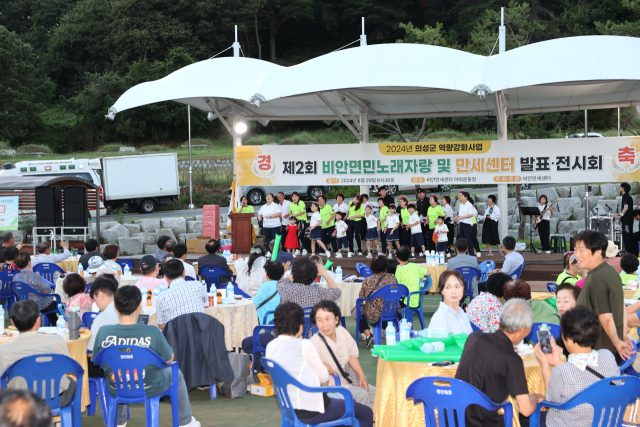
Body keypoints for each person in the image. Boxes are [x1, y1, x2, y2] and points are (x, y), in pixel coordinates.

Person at [93, 286, 201, 427]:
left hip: (117, 385)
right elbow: (169, 358)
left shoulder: (103, 332)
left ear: (115, 306)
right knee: (177, 374)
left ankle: (119, 423)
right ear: (139, 306)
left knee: (119, 371)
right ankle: (186, 423)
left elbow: (97, 359)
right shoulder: (152, 331)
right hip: (149, 385)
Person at [265, 302, 373, 427]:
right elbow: (324, 378)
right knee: (366, 413)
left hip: (289, 408)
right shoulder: (305, 345)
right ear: (301, 326)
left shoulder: (270, 346)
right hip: (313, 410)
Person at [456, 299, 544, 427]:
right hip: (484, 423)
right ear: (522, 329)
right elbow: (526, 410)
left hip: (455, 419)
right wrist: (536, 398)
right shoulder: (512, 360)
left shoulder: (474, 337)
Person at [534, 306, 620, 427]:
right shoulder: (608, 356)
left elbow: (550, 399)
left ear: (568, 340)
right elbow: (585, 374)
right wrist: (557, 361)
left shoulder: (562, 372)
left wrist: (544, 364)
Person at [0, 301, 77, 408]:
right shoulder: (57, 341)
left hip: (22, 402)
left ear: (12, 322)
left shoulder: (4, 350)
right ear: (38, 320)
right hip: (58, 399)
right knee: (72, 382)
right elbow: (70, 367)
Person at [574, 230, 634, 364]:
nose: (576, 255)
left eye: (582, 250)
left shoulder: (597, 277)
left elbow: (605, 317)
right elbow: (621, 306)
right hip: (608, 348)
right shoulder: (609, 271)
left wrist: (618, 342)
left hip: (599, 352)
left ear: (598, 252)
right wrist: (622, 336)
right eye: (575, 250)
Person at [310, 300, 376, 409]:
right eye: (319, 320)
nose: (324, 324)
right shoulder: (313, 342)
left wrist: (361, 375)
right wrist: (321, 365)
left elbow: (351, 355)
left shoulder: (341, 331)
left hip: (350, 380)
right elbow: (303, 364)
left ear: (336, 319)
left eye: (327, 319)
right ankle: (362, 421)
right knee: (362, 395)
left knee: (378, 394)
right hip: (333, 386)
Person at [357, 256, 399, 347]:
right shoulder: (392, 277)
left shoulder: (368, 280)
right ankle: (380, 333)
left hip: (374, 313)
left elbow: (361, 297)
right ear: (386, 266)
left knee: (356, 310)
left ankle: (368, 335)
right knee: (385, 306)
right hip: (392, 310)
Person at [156, 259, 204, 329]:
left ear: (165, 277)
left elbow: (161, 325)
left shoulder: (161, 297)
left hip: (177, 337)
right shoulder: (198, 285)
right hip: (200, 335)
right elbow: (205, 301)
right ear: (184, 273)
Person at [12, 253, 58, 325]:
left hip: (24, 304)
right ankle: (57, 324)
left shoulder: (16, 277)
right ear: (28, 263)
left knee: (47, 301)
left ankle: (55, 324)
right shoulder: (35, 276)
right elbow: (46, 290)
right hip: (39, 305)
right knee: (56, 303)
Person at [87, 275, 120, 374]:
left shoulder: (102, 317)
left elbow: (91, 353)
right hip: (130, 365)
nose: (97, 305)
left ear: (101, 295)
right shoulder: (128, 308)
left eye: (95, 301)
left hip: (109, 369)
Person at [554, 283, 581, 358]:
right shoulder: (566, 321)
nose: (561, 305)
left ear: (577, 301)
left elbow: (579, 355)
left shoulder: (581, 325)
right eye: (558, 301)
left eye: (566, 301)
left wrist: (556, 348)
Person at [614, 182, 636, 256]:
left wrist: (620, 215)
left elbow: (626, 208)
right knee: (628, 236)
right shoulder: (629, 197)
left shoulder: (625, 197)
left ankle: (628, 254)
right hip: (629, 220)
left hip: (626, 221)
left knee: (626, 237)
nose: (620, 188)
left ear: (623, 188)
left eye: (620, 187)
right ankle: (630, 253)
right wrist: (618, 215)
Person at [455, 191, 476, 256]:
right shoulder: (461, 205)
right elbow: (461, 213)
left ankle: (471, 254)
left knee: (468, 240)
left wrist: (462, 217)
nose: (460, 197)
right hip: (462, 223)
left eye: (462, 196)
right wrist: (457, 216)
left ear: (466, 197)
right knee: (461, 239)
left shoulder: (469, 205)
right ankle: (463, 254)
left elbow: (471, 214)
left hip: (467, 224)